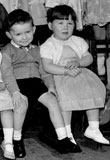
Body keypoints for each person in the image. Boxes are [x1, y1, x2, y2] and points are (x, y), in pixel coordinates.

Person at [0, 8, 81, 157]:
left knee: (52, 101)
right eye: (18, 34)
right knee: (21, 105)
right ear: (8, 34)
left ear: (34, 29)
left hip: (36, 84)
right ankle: (16, 140)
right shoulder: (7, 51)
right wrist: (15, 92)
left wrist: (50, 87)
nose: (24, 37)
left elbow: (44, 71)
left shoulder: (38, 49)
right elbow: (7, 73)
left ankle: (62, 137)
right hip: (19, 85)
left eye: (27, 32)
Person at [40, 5, 110, 145]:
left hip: (81, 74)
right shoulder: (48, 45)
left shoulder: (78, 41)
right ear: (50, 25)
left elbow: (88, 57)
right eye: (60, 23)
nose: (65, 27)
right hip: (61, 76)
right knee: (66, 100)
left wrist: (78, 62)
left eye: (70, 23)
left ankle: (93, 127)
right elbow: (47, 66)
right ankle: (67, 132)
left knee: (93, 90)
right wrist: (66, 70)